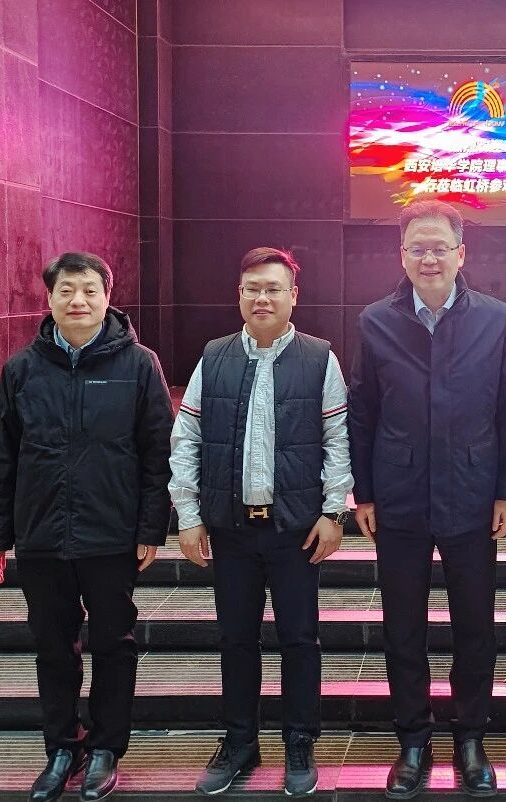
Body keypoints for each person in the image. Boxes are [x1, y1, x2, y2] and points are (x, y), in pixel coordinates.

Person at [348, 200, 506, 799]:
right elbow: (363, 412)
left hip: (473, 495)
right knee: (403, 626)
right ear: (402, 256)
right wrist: (364, 493)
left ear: (461, 254)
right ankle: (413, 740)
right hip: (398, 496)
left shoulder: (495, 318)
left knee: (475, 625)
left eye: (439, 247)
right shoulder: (375, 320)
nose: (429, 258)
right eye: (417, 248)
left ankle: (470, 738)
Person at [0, 251, 174, 802]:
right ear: (49, 298)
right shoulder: (22, 369)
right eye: (66, 291)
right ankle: (63, 747)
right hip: (41, 532)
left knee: (113, 642)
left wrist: (150, 527)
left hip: (111, 531)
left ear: (108, 296)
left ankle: (107, 747)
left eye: (89, 290)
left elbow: (156, 453)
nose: (78, 301)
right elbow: (3, 457)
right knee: (52, 645)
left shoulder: (139, 365)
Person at [168, 247, 352, 798]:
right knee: (236, 640)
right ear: (239, 295)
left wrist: (334, 512)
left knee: (300, 639)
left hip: (294, 528)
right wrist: (189, 516)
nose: (262, 298)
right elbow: (187, 438)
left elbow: (337, 441)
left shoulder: (319, 358)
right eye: (252, 288)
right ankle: (240, 742)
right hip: (230, 528)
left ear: (294, 296)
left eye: (273, 288)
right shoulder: (214, 356)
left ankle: (300, 741)